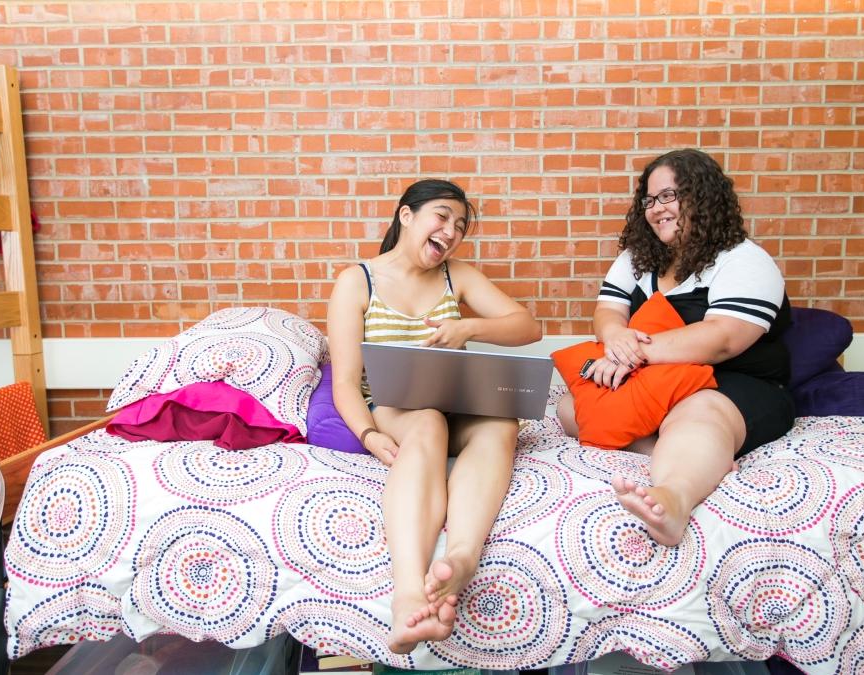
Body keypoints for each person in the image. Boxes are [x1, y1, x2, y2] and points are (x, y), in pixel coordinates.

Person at [327, 179, 542, 654]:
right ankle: (408, 596)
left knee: (501, 421)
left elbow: (528, 327)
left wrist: (467, 326)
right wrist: (367, 434)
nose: (451, 231)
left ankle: (461, 559)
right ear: (406, 216)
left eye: (460, 226)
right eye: (442, 217)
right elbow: (345, 382)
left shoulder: (457, 275)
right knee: (427, 421)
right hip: (397, 407)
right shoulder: (356, 281)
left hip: (456, 397)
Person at [558, 149, 794, 547]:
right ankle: (704, 456)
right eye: (649, 200)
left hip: (729, 383)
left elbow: (723, 338)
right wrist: (615, 337)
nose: (656, 209)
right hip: (655, 380)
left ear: (702, 196)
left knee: (696, 412)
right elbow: (607, 312)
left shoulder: (744, 260)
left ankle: (674, 498)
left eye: (668, 196)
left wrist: (633, 352)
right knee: (570, 408)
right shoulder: (638, 259)